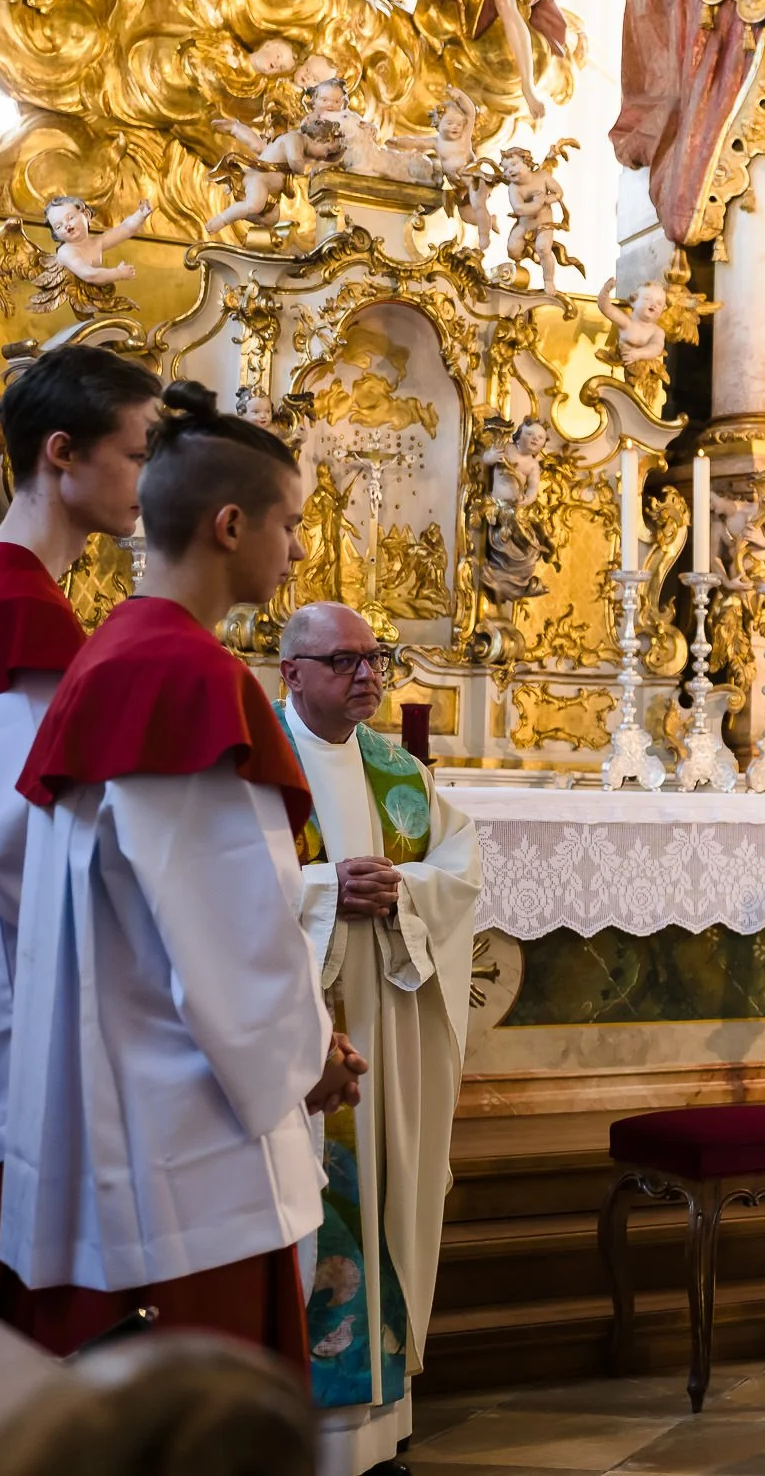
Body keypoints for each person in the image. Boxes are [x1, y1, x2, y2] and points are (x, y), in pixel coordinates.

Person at [4, 379, 360, 1363]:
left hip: (119, 1104)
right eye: (288, 522)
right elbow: (233, 942)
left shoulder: (116, 653)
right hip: (183, 1144)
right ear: (230, 522)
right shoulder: (187, 679)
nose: (295, 548)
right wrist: (313, 1061)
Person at [0, 345, 161, 1313]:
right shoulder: (9, 611)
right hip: (2, 1028)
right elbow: (25, 850)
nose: (149, 480)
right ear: (62, 451)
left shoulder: (25, 602)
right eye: (137, 453)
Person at [275, 602, 480, 1474]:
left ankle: (379, 1423)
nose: (368, 676)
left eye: (378, 659)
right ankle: (300, 1428)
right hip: (296, 1034)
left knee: (388, 1194)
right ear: (291, 672)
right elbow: (210, 881)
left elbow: (459, 871)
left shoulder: (400, 772)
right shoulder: (257, 763)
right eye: (345, 661)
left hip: (386, 1026)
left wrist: (402, 890)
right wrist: (324, 889)